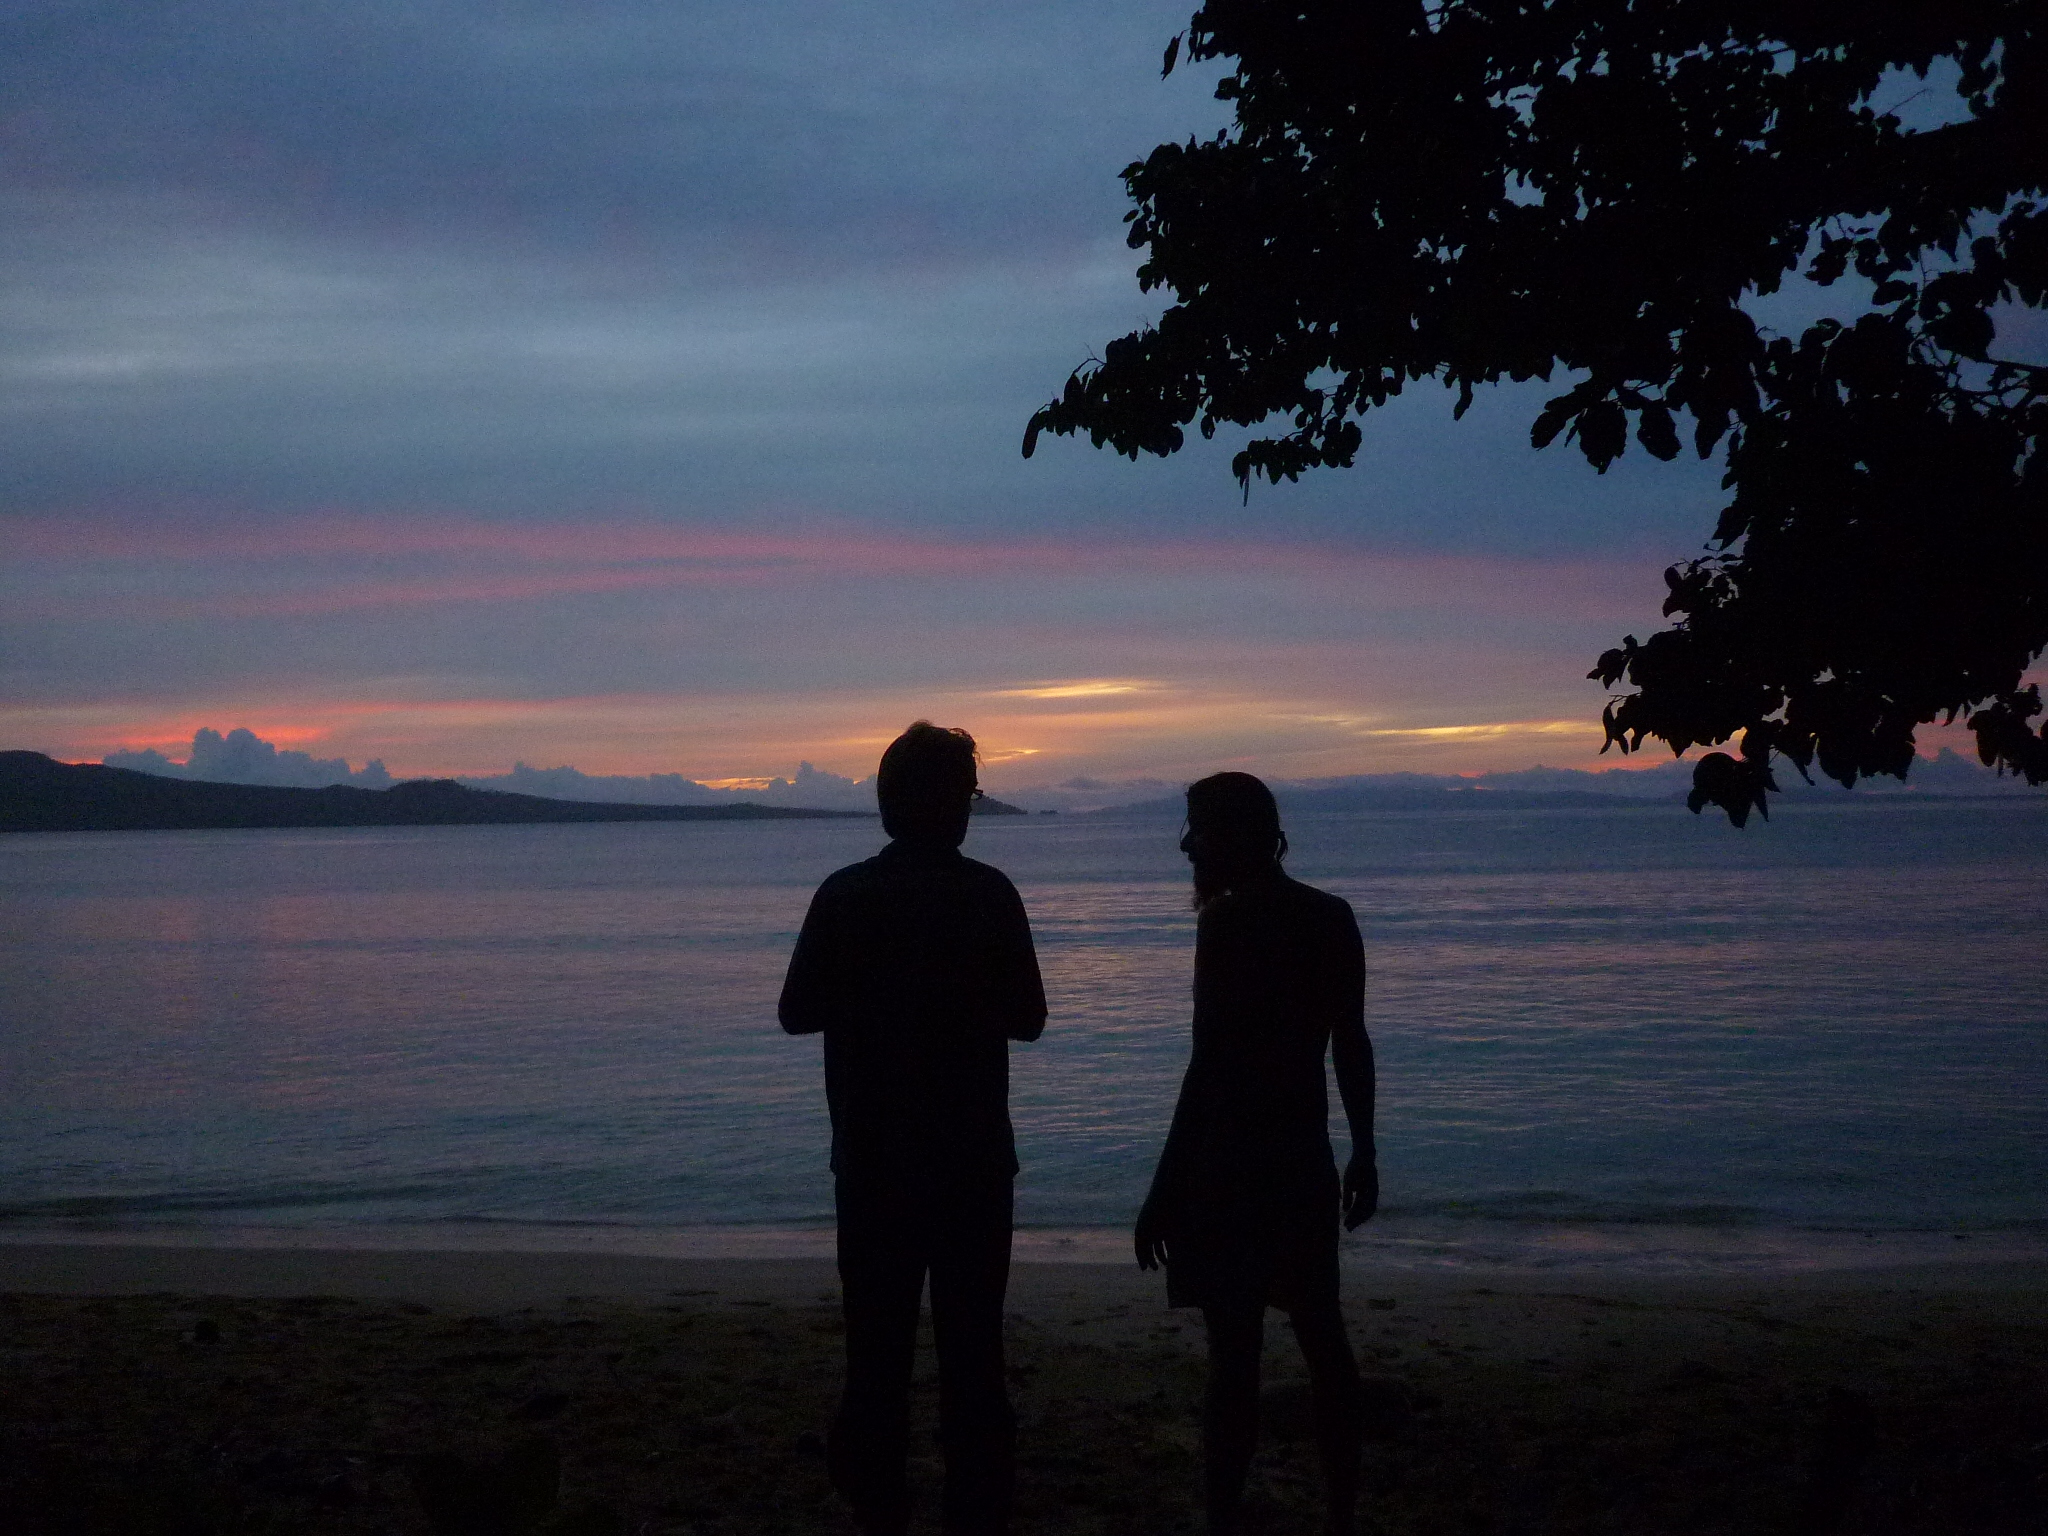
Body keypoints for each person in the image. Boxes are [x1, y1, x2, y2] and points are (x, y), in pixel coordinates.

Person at [779, 721, 1046, 1536]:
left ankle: (880, 1508)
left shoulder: (846, 894)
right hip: (971, 1163)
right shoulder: (989, 894)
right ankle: (976, 1506)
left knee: (878, 1353)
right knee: (974, 1351)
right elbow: (1029, 1020)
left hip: (873, 1162)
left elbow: (797, 1013)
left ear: (888, 804)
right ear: (957, 806)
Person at [1135, 771, 1377, 1536]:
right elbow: (1351, 1042)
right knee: (1322, 1341)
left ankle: (1223, 1515)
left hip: (1229, 1168)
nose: (1185, 848)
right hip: (1300, 1158)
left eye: (1197, 832)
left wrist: (1163, 1189)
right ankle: (1340, 1512)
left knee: (1234, 1363)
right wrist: (1364, 1148)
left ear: (1234, 836)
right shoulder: (1329, 917)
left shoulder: (1229, 926)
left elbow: (1208, 1068)